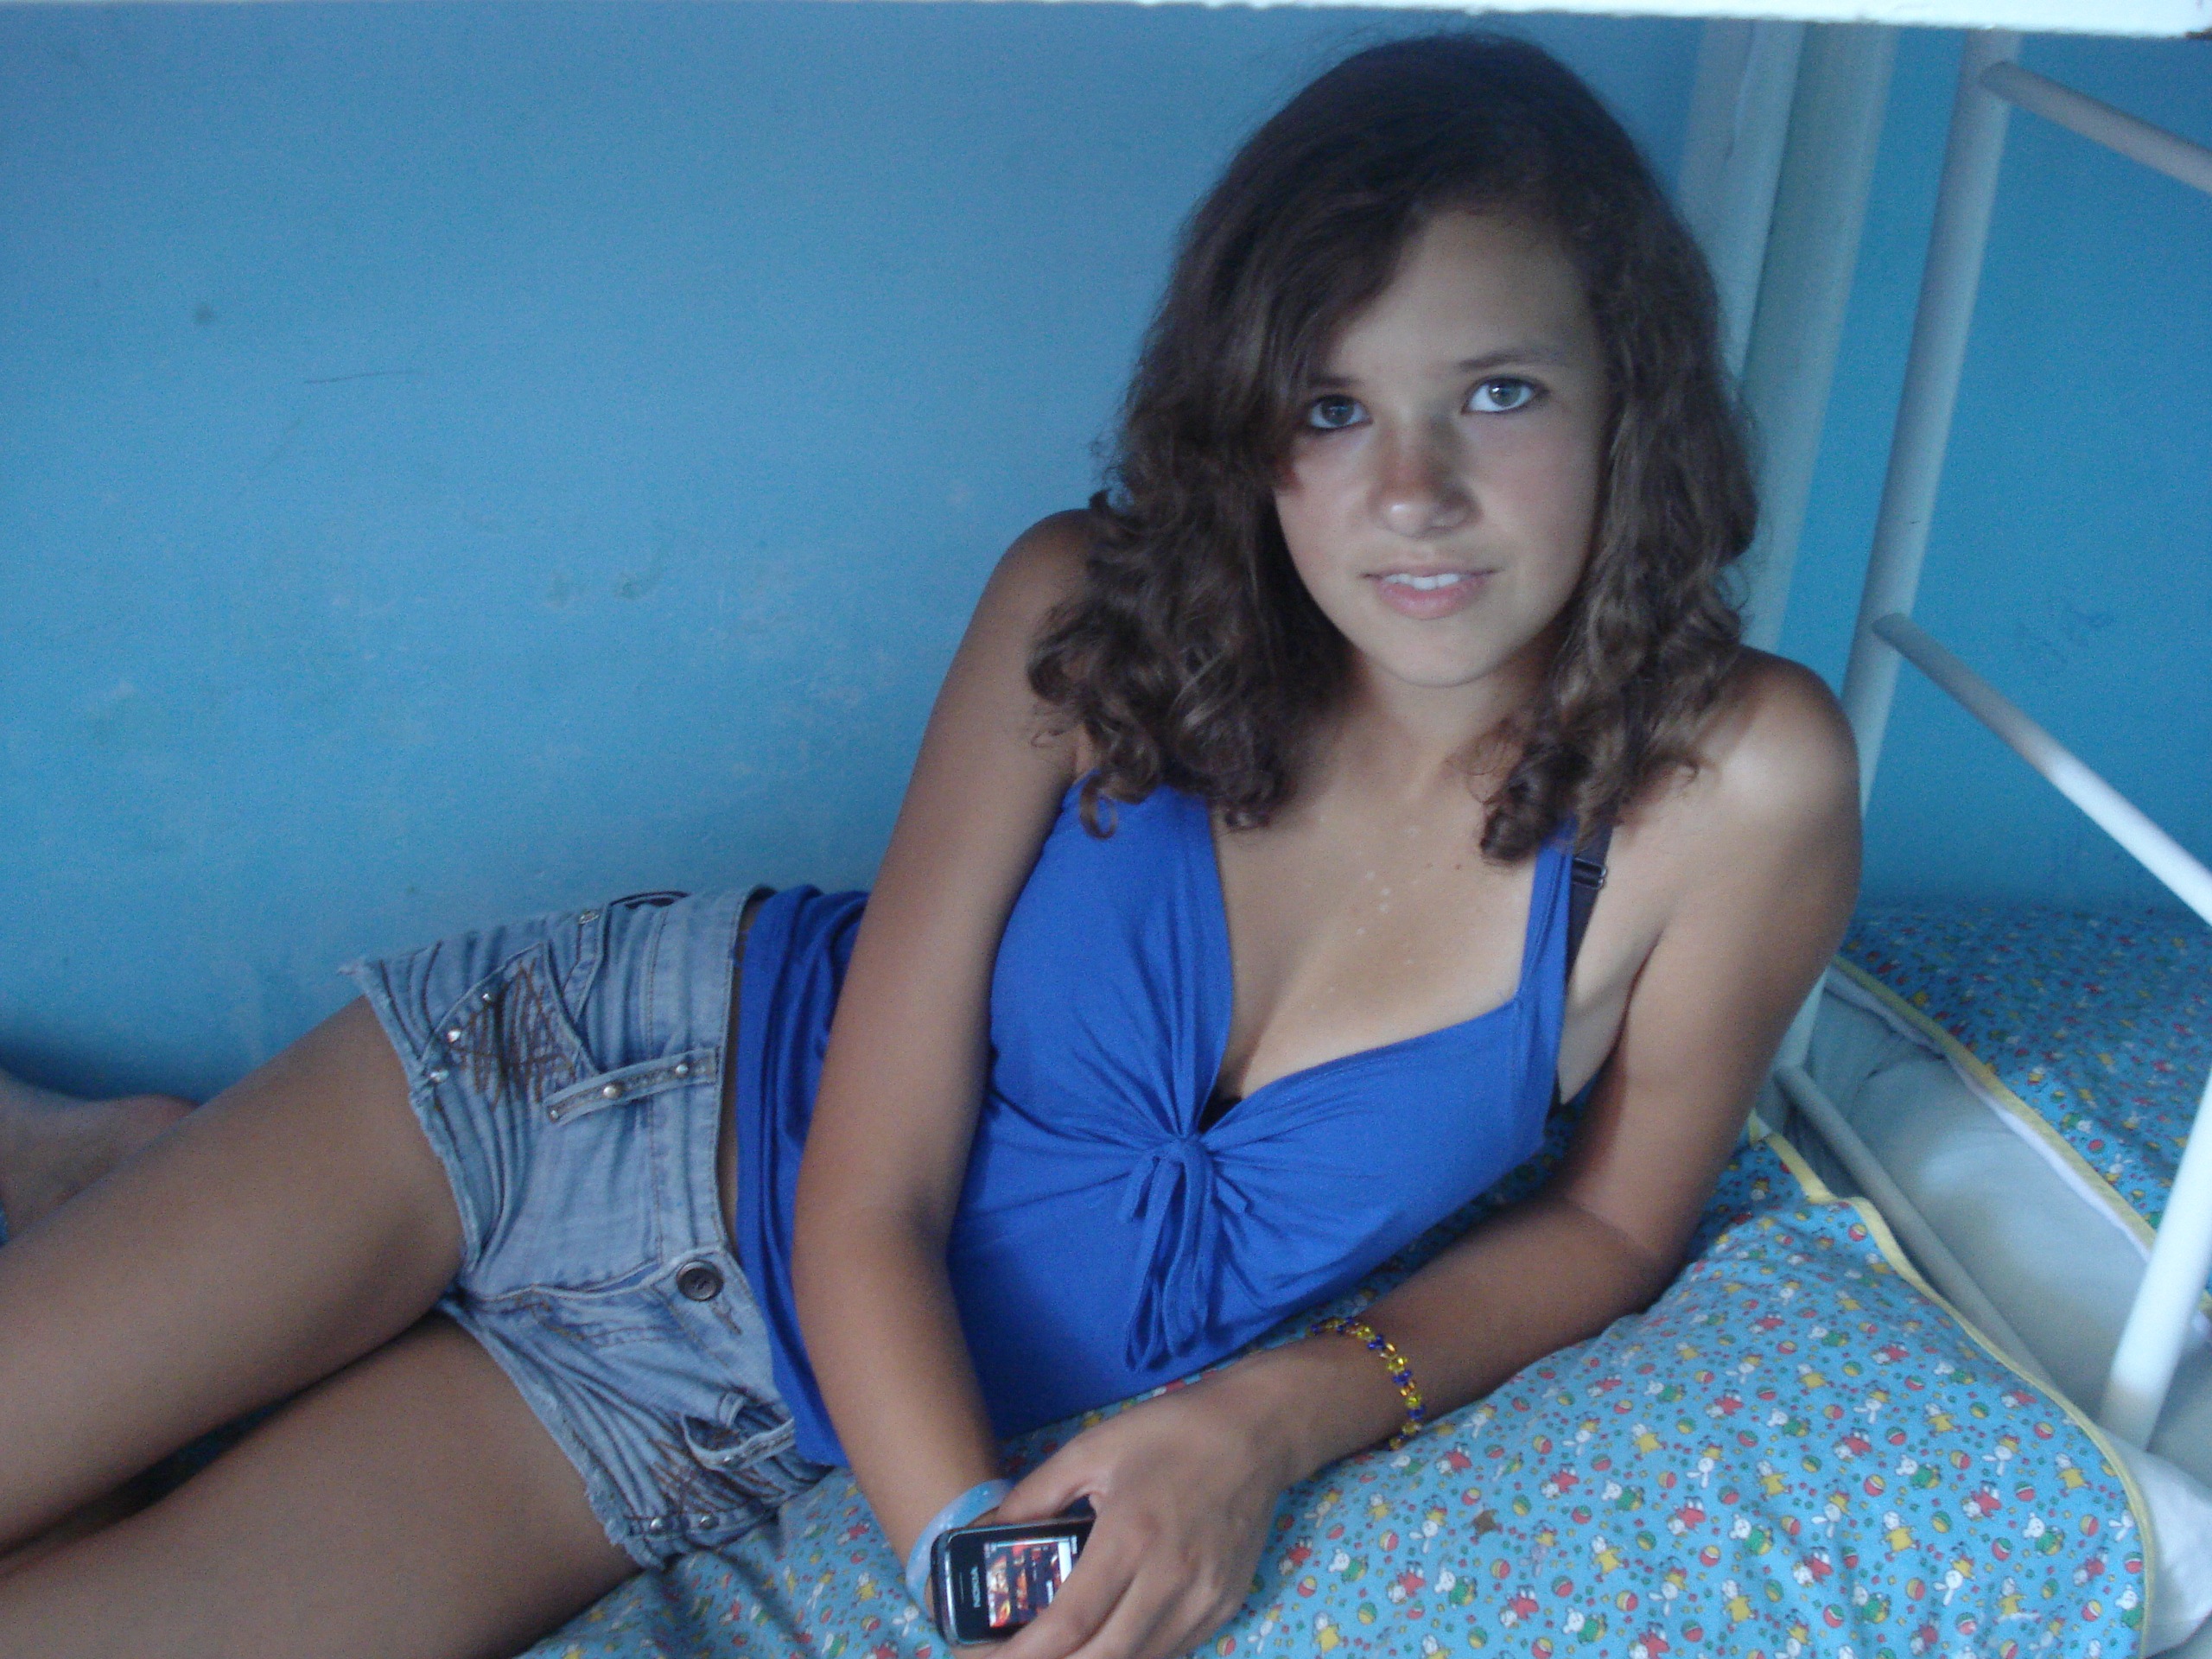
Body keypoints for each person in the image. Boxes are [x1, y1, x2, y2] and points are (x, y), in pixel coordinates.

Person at [0, 32, 1859, 1659]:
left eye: (1499, 393)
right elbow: (867, 1189)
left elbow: (1615, 1222)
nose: (1412, 495)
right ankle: (133, 1175)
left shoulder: (1738, 785)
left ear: (1632, 396)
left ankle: (146, 1189)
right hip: (588, 1099)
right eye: (1330, 405)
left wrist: (1277, 1417)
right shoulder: (1091, 613)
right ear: (1248, 424)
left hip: (704, 1404)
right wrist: (969, 1560)